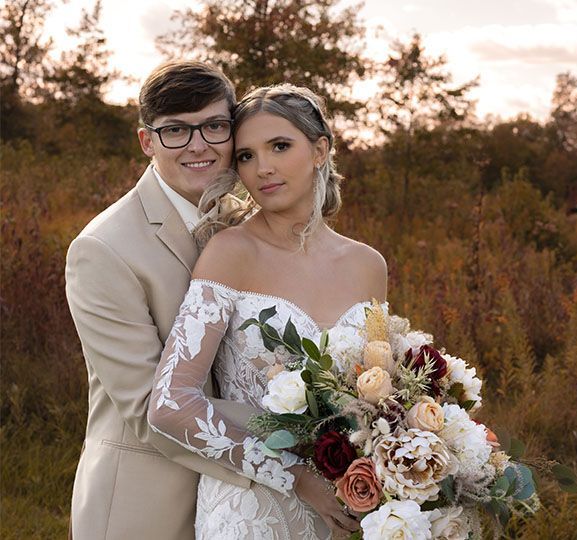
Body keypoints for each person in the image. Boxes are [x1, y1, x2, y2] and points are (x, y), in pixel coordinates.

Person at [148, 84, 388, 539]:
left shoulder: (367, 265)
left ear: (320, 150)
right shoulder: (230, 252)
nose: (263, 169)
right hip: (251, 509)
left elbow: (378, 398)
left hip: (346, 507)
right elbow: (170, 405)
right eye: (246, 156)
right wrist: (293, 477)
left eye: (280, 146)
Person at [65, 61, 256, 540]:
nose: (198, 145)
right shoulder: (103, 250)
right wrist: (304, 430)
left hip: (245, 510)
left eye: (214, 125)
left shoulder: (250, 225)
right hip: (144, 508)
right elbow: (152, 407)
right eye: (175, 130)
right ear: (146, 141)